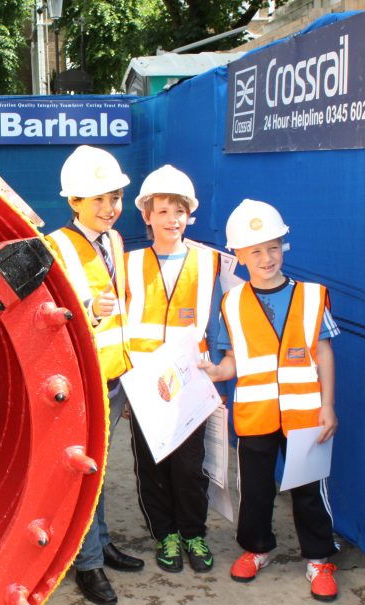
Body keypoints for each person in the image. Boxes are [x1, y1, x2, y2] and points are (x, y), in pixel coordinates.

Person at [200, 199, 341, 601]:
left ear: (284, 247)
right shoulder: (231, 304)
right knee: (256, 490)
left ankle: (319, 559)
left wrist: (327, 405)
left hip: (305, 413)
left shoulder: (313, 296)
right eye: (256, 251)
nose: (266, 258)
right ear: (239, 257)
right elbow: (231, 361)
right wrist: (215, 372)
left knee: (309, 491)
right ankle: (257, 548)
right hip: (255, 414)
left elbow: (324, 353)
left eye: (273, 247)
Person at [44, 145, 144, 605]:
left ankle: (100, 544)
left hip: (113, 378)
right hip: (83, 384)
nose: (109, 208)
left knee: (101, 473)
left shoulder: (117, 241)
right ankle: (85, 566)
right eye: (98, 199)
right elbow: (44, 317)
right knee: (83, 476)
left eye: (115, 197)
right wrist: (87, 310)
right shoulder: (57, 245)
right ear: (74, 202)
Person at [124, 165, 220, 574]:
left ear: (189, 214)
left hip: (189, 381)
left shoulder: (211, 261)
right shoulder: (128, 264)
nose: (171, 219)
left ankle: (193, 532)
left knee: (189, 464)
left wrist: (218, 365)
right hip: (144, 384)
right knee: (152, 465)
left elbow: (226, 319)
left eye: (178, 210)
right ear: (147, 215)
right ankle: (165, 534)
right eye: (162, 211)